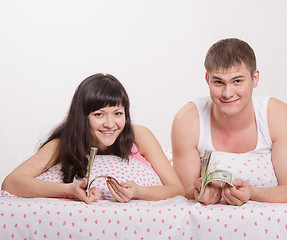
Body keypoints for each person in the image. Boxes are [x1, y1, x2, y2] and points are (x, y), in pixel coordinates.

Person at [2, 73, 185, 204]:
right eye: (99, 115)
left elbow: (177, 189)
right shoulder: (61, 144)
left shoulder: (139, 136)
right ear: (82, 117)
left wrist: (139, 192)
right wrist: (69, 190)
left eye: (118, 113)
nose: (110, 123)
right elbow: (11, 182)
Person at [171, 38, 287, 206]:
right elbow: (183, 190)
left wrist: (253, 193)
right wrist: (197, 192)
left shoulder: (277, 115)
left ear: (255, 78)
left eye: (237, 81)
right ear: (207, 79)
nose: (228, 93)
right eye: (219, 82)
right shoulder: (187, 119)